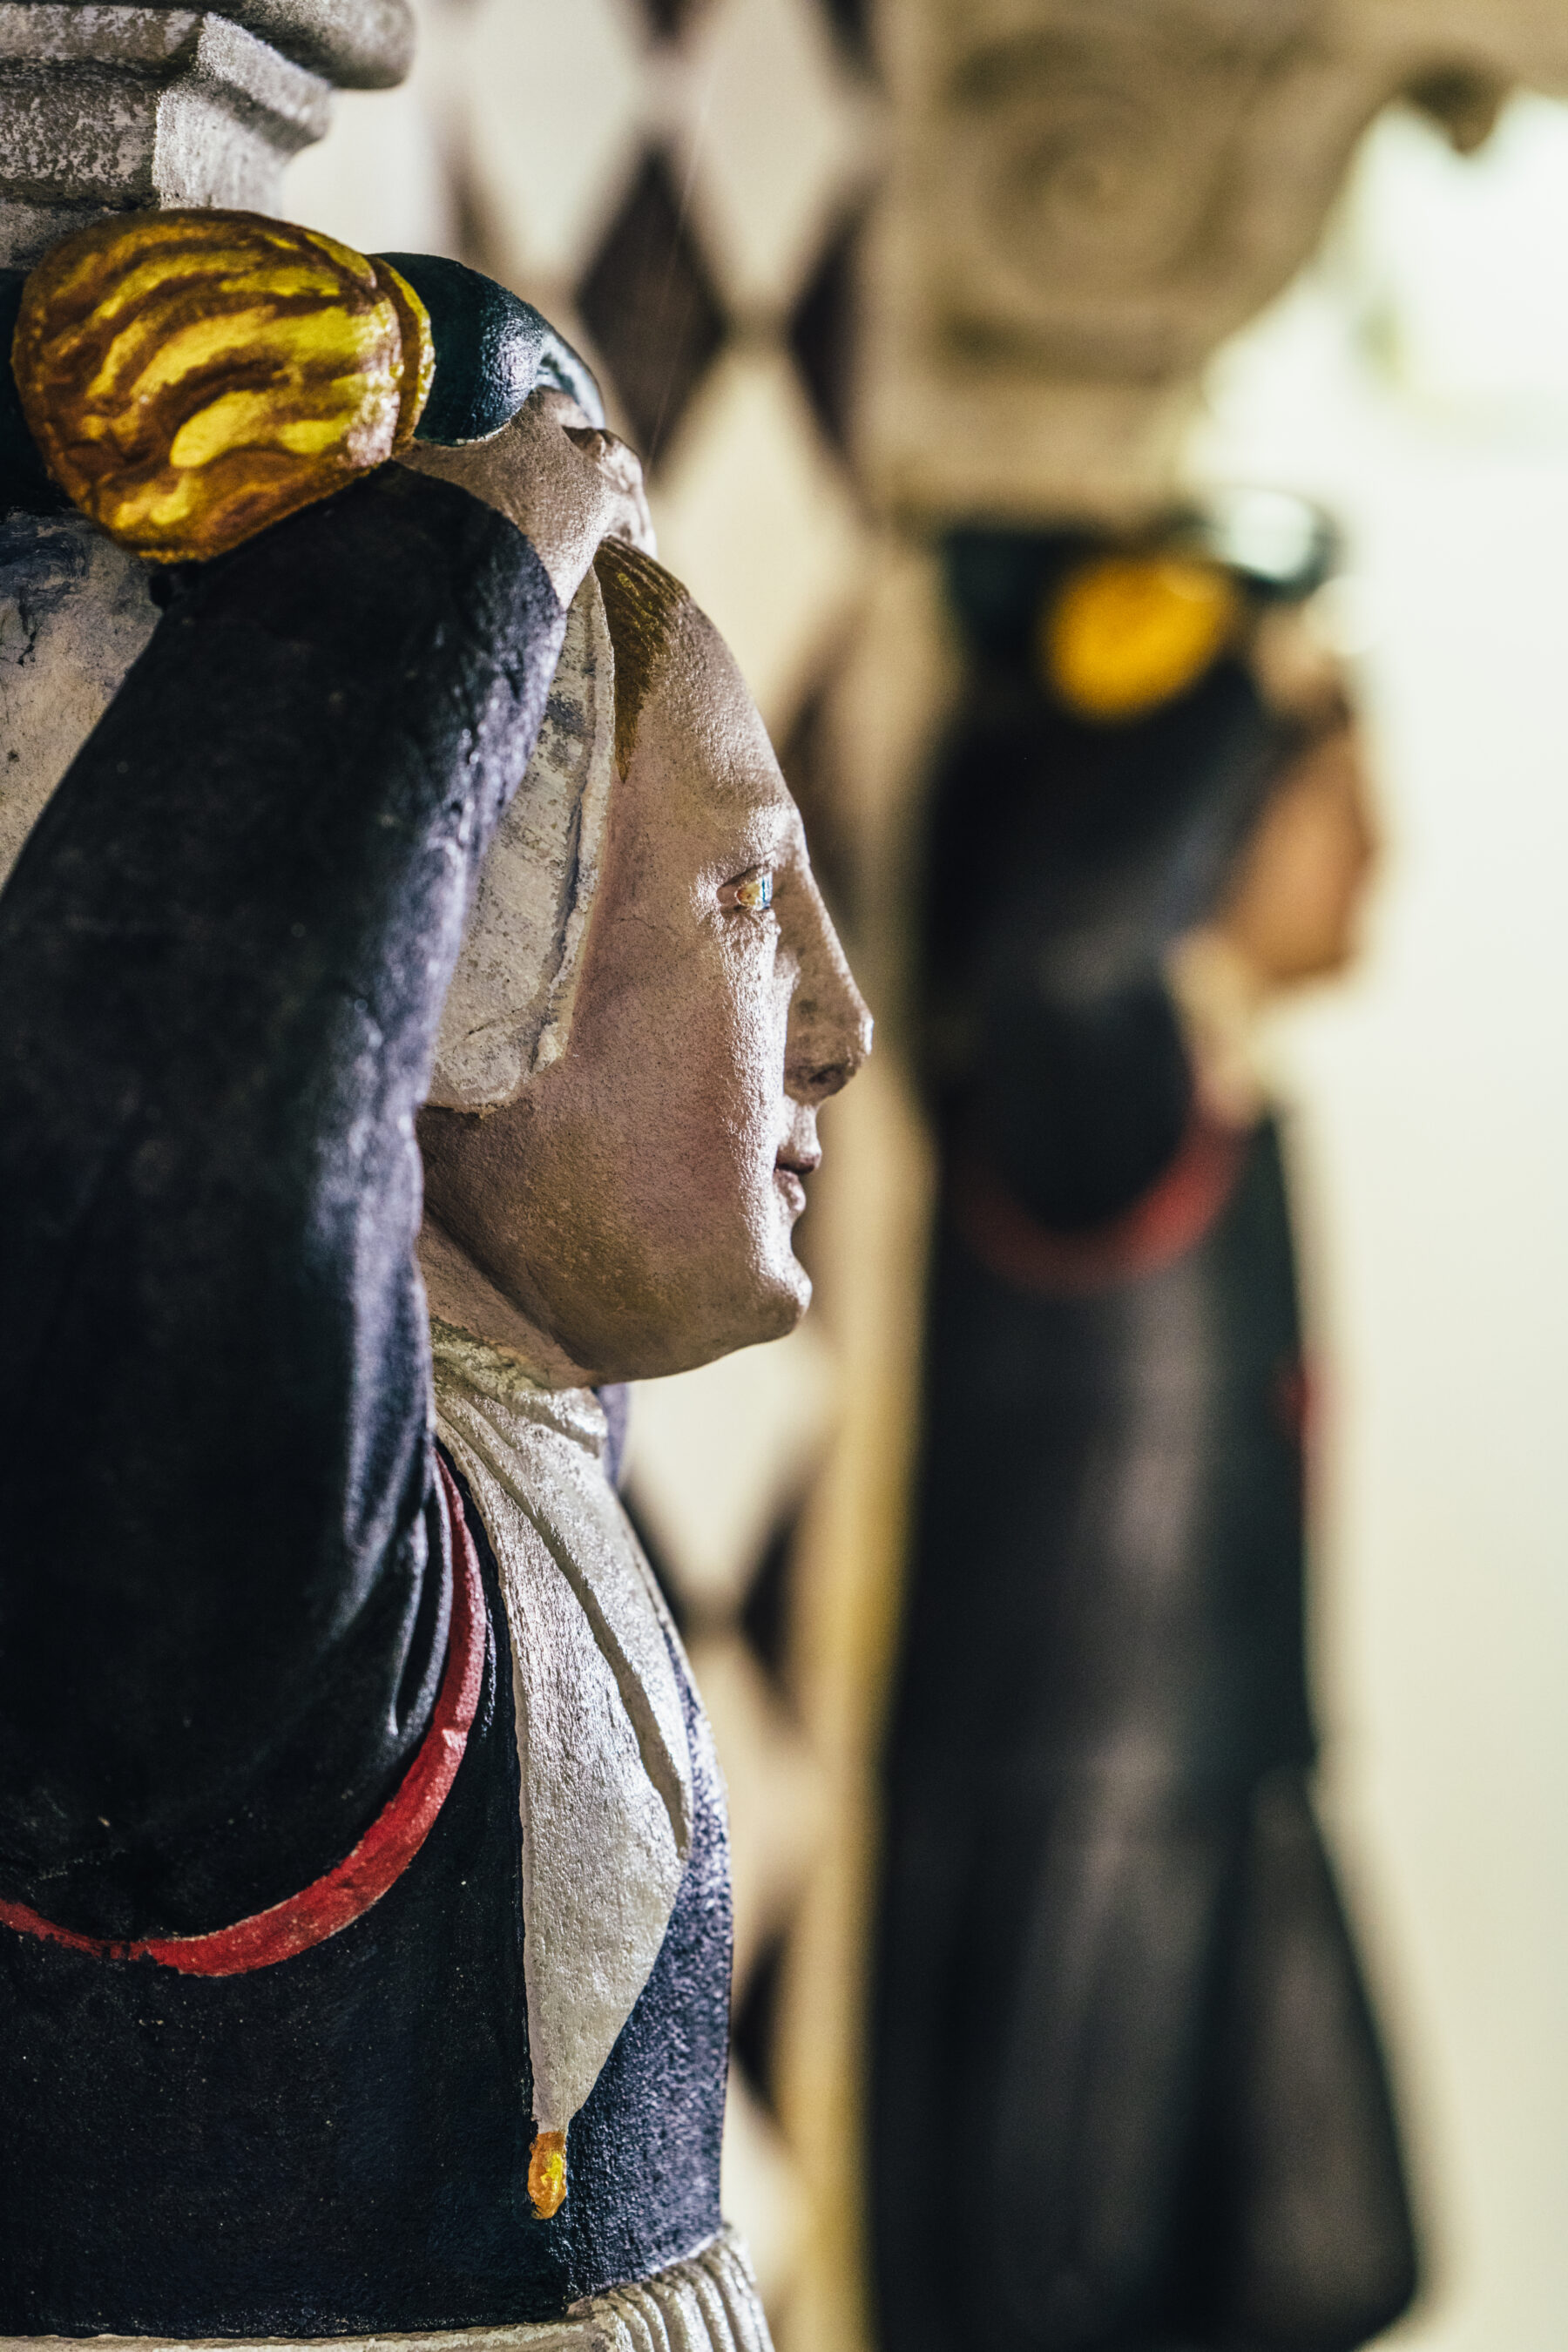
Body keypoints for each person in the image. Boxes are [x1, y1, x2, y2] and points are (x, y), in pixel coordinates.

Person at [0, 217, 869, 2342]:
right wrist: (453, 575)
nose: (840, 1022)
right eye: (747, 894)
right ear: (454, 970)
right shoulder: (309, 1603)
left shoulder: (505, 1471)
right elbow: (185, 1161)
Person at [871, 503, 1416, 2352]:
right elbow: (1066, 953)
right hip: (1079, 1825)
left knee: (1330, 2267)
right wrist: (1236, 681)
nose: (1379, 851)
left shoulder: (1212, 1096)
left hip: (1219, 1791)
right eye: (1336, 790)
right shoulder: (1104, 1085)